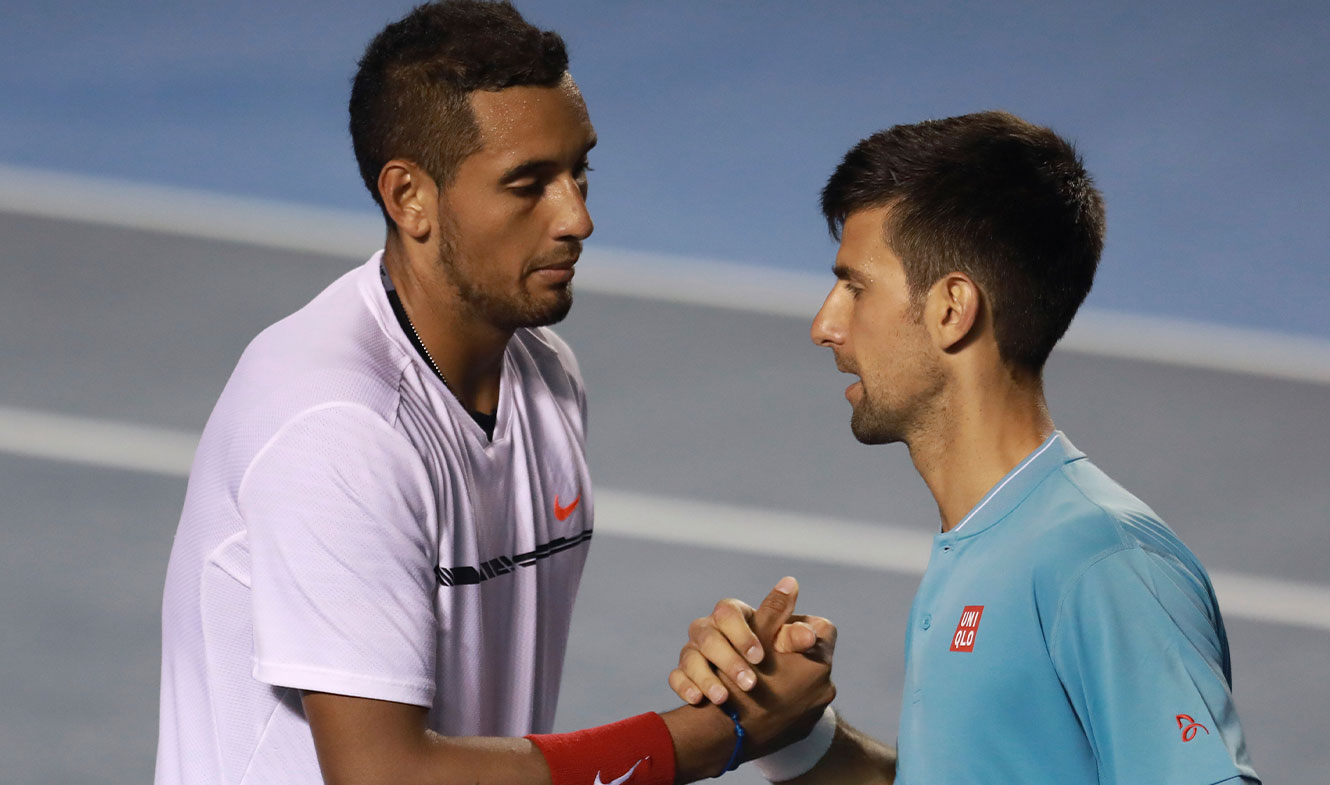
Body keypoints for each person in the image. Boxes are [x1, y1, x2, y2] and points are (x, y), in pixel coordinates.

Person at [153, 3, 833, 784]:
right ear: (409, 197)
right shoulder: (336, 425)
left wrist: (745, 679)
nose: (577, 215)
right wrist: (720, 734)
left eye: (579, 171)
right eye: (528, 184)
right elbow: (384, 774)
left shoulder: (544, 375)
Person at [670, 112, 1260, 784]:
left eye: (855, 286)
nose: (824, 325)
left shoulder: (1100, 561)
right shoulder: (988, 544)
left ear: (952, 308)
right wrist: (787, 729)